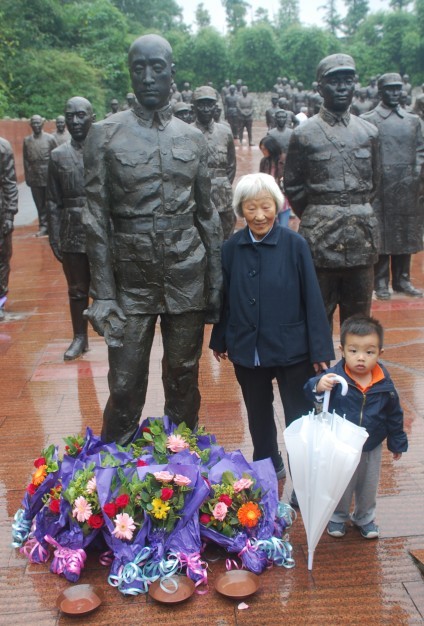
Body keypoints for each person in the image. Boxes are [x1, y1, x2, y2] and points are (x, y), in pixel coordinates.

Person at [83, 34, 223, 444]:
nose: (147, 77)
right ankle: (112, 477)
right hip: (130, 278)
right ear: (130, 73)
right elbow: (94, 218)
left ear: (172, 73)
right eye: (138, 68)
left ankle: (181, 471)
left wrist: (215, 280)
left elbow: (207, 214)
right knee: (125, 383)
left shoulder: (194, 137)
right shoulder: (103, 134)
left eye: (156, 67)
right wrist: (104, 294)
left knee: (183, 378)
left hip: (186, 272)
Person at [210, 173, 334, 482]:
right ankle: (267, 464)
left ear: (276, 207)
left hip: (292, 347)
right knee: (257, 412)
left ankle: (303, 477)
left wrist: (320, 348)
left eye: (266, 206)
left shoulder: (295, 244)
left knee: (299, 415)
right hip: (247, 346)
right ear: (241, 210)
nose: (260, 215)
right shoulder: (231, 248)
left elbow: (313, 298)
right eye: (251, 208)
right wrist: (219, 337)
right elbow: (227, 297)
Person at [284, 54, 380, 330]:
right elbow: (294, 186)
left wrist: (352, 211)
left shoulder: (369, 133)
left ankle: (355, 373)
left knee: (359, 322)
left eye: (347, 81)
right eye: (334, 81)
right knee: (316, 319)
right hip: (320, 239)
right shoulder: (304, 134)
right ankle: (321, 373)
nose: (341, 87)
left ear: (355, 86)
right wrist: (322, 213)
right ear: (320, 88)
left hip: (362, 238)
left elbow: (375, 184)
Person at [304, 315, 408, 539]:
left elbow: (394, 414)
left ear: (380, 353)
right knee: (341, 483)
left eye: (369, 352)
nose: (361, 358)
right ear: (342, 350)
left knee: (368, 485)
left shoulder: (384, 383)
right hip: (341, 445)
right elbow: (310, 389)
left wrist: (397, 441)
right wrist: (318, 385)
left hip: (371, 445)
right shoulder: (335, 377)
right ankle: (338, 516)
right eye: (353, 351)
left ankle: (365, 517)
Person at [361, 73, 424, 299]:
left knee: (404, 232)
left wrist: (415, 176)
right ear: (380, 91)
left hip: (407, 186)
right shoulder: (369, 120)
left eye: (398, 89)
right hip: (380, 187)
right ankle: (380, 282)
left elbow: (421, 152)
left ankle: (402, 280)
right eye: (390, 89)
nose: (395, 93)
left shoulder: (413, 120)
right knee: (382, 234)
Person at [46, 96, 94, 360]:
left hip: (102, 229)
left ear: (92, 118)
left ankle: (114, 335)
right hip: (72, 230)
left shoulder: (104, 151)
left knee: (110, 286)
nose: (75, 121)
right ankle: (80, 337)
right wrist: (54, 236)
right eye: (70, 115)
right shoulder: (57, 156)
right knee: (77, 288)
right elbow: (52, 201)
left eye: (81, 115)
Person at [192, 86, 237, 240]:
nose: (205, 109)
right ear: (194, 107)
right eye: (201, 105)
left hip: (222, 196)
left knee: (226, 238)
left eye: (209, 105)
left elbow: (231, 166)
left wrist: (221, 184)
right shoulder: (186, 132)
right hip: (195, 197)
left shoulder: (225, 132)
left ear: (215, 107)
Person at [23, 115, 58, 237]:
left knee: (51, 203)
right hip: (35, 177)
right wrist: (28, 176)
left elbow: (56, 157)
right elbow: (26, 160)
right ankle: (43, 226)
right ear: (30, 125)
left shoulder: (50, 139)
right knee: (39, 204)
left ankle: (53, 226)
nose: (36, 125)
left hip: (48, 176)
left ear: (42, 124)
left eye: (38, 123)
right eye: (34, 123)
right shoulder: (27, 141)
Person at [0, 136, 18, 321]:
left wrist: (9, 214)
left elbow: (10, 183)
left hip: (0, 211)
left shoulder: (3, 147)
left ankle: (0, 299)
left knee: (2, 258)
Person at [258, 136, 290, 228]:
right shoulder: (264, 161)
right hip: (269, 197)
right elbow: (261, 177)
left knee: (283, 226)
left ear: (271, 148)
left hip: (283, 196)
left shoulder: (284, 159)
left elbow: (291, 175)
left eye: (264, 149)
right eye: (261, 149)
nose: (263, 151)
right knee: (271, 225)